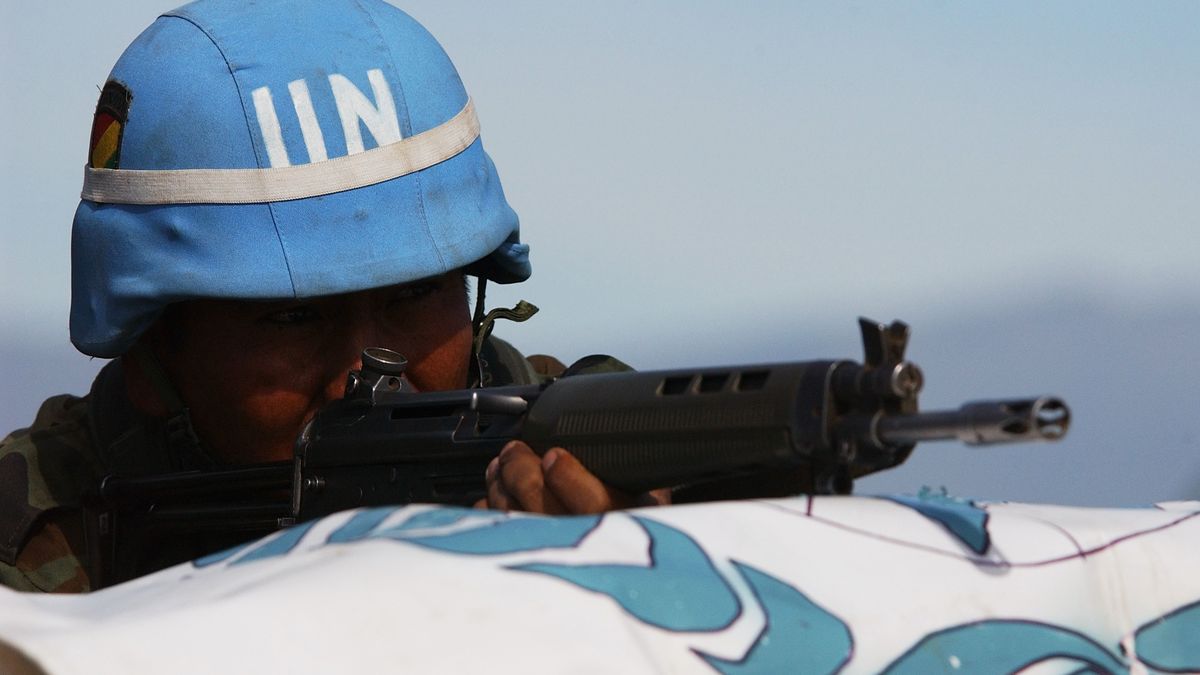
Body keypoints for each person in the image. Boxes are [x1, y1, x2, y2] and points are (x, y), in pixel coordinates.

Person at [0, 0, 662, 593]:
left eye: (416, 293)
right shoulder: (34, 557)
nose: (368, 371)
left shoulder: (593, 449)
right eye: (294, 315)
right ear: (151, 354)